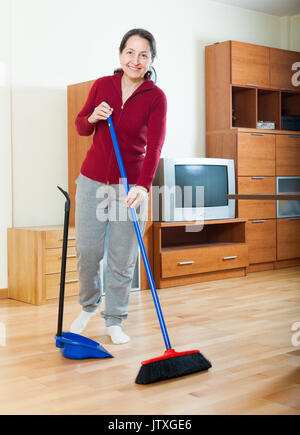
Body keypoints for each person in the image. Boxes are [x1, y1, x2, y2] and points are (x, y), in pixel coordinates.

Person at [70, 29, 167, 344]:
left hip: (130, 187)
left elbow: (154, 147)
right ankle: (89, 305)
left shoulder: (155, 97)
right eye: (130, 52)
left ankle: (115, 319)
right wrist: (94, 116)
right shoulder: (102, 86)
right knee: (87, 251)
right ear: (120, 54)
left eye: (143, 55)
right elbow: (82, 126)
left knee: (122, 256)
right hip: (92, 180)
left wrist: (143, 187)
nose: (135, 60)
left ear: (151, 59)